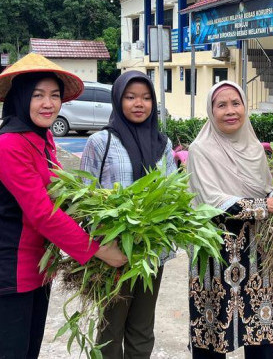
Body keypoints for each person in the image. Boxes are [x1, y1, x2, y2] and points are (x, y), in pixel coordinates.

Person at [0, 53, 127, 359]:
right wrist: (97, 250)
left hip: (39, 263)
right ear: (20, 97)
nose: (49, 103)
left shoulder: (42, 139)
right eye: (38, 95)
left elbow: (62, 196)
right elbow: (43, 212)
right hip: (8, 264)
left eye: (55, 96)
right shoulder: (9, 145)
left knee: (29, 351)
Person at [187, 80, 273, 359]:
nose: (230, 111)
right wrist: (266, 205)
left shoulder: (254, 149)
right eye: (221, 105)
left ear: (245, 107)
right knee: (212, 334)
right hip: (214, 253)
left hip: (253, 253)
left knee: (259, 333)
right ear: (211, 111)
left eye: (236, 103)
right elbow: (213, 203)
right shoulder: (201, 150)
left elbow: (263, 188)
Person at [80, 70, 177, 359]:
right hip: (112, 255)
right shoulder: (101, 142)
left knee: (142, 328)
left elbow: (172, 192)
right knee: (111, 329)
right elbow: (84, 197)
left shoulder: (163, 144)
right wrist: (99, 245)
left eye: (146, 98)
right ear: (118, 100)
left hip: (151, 253)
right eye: (131, 97)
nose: (139, 104)